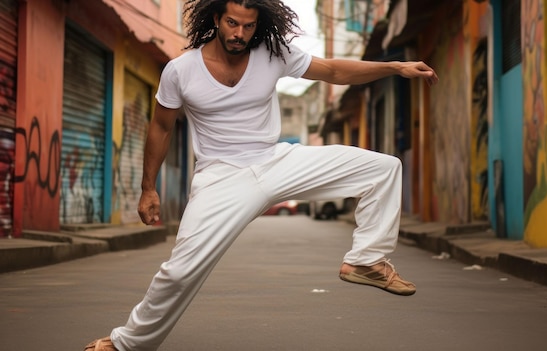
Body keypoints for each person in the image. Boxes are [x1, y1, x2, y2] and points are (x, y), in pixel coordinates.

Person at [85, 0, 438, 350]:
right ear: (216, 19)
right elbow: (161, 127)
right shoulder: (181, 70)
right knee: (179, 271)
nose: (239, 34)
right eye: (232, 23)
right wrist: (148, 188)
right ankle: (127, 344)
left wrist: (395, 67)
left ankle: (366, 260)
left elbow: (332, 71)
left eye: (248, 26)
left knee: (383, 168)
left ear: (259, 24)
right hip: (220, 176)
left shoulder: (273, 53)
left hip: (275, 160)